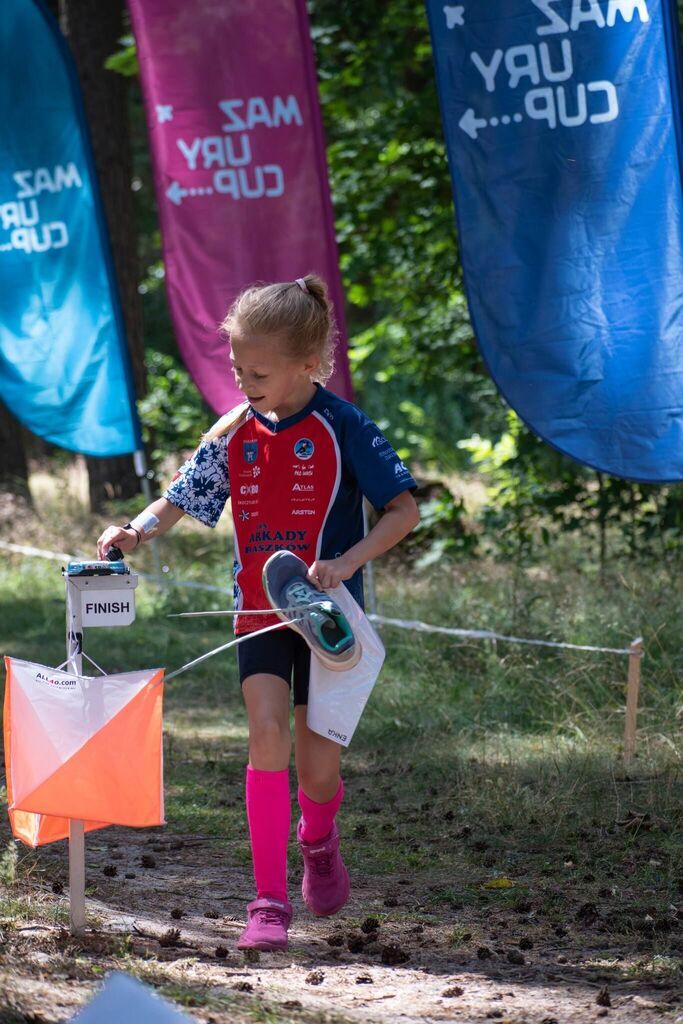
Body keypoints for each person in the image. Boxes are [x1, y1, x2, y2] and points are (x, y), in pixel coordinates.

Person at [96, 274, 420, 951]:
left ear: (308, 364)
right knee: (266, 734)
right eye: (237, 368)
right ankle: (268, 901)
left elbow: (403, 511)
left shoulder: (344, 426)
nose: (244, 382)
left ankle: (318, 839)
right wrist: (135, 530)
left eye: (259, 371)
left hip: (331, 623)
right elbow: (181, 498)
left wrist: (350, 560)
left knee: (316, 773)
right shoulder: (233, 430)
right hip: (257, 614)